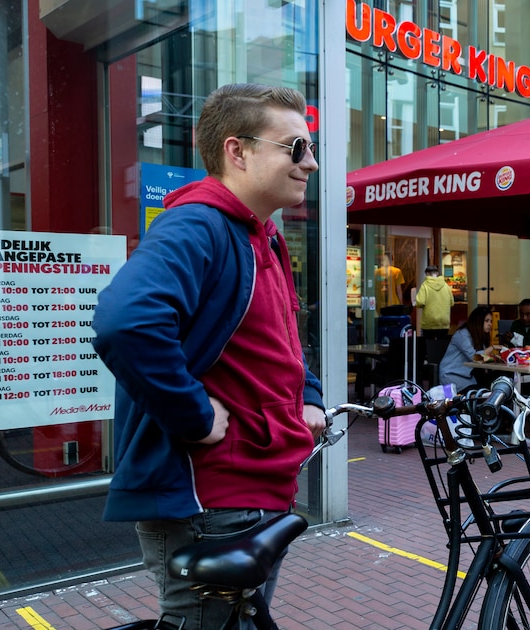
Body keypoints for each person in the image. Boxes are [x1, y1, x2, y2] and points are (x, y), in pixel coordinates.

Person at [91, 83, 325, 629]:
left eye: (310, 148)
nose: (309, 163)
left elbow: (280, 340)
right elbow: (124, 322)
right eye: (295, 148)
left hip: (251, 492)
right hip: (213, 499)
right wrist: (193, 415)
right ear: (236, 151)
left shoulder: (261, 236)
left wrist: (308, 395)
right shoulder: (200, 224)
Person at [438, 305, 494, 391]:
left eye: (491, 321)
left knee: (489, 387)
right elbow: (475, 358)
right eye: (487, 321)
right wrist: (493, 348)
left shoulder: (478, 337)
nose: (490, 324)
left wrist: (494, 358)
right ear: (478, 321)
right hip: (450, 377)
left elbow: (482, 358)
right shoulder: (462, 334)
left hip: (467, 378)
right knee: (482, 393)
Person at [415, 264, 454, 340]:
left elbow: (420, 302)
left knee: (428, 346)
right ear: (437, 273)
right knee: (442, 345)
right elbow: (452, 302)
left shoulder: (425, 285)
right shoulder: (446, 286)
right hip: (444, 322)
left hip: (429, 322)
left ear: (427, 274)